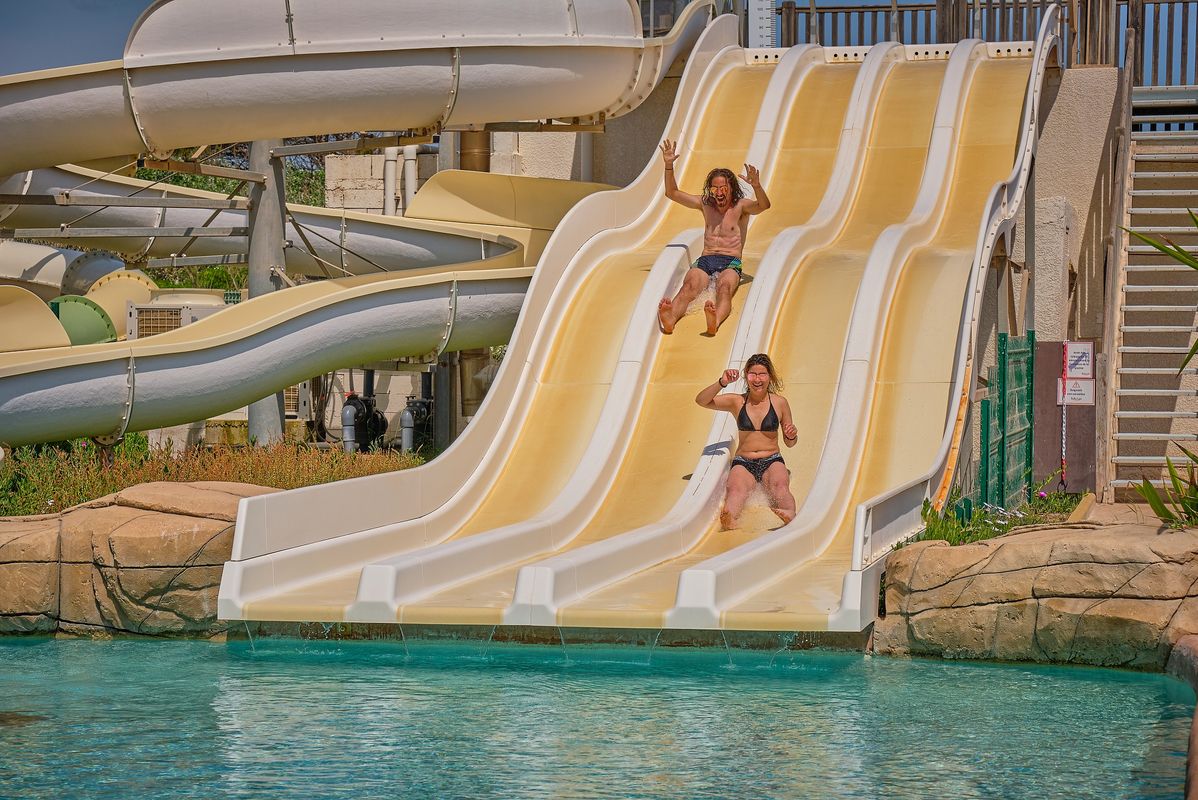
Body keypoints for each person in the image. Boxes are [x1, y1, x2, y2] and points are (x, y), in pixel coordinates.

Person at [656, 138, 771, 336]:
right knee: (689, 287)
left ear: (731, 188)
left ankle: (714, 320)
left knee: (724, 288)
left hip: (730, 262)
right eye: (714, 188)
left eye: (723, 188)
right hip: (706, 259)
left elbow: (764, 206)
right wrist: (668, 166)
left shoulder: (741, 207)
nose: (718, 192)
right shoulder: (705, 204)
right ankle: (671, 318)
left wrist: (757, 187)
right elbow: (672, 193)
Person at [695, 353, 798, 530]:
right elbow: (701, 401)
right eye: (752, 374)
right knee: (736, 490)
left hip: (772, 459)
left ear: (770, 376)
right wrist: (722, 382)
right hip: (744, 461)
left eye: (762, 374)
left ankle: (789, 512)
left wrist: (791, 435)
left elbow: (790, 443)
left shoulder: (780, 403)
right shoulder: (737, 401)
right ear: (746, 376)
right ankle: (730, 519)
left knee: (780, 486)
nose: (757, 379)